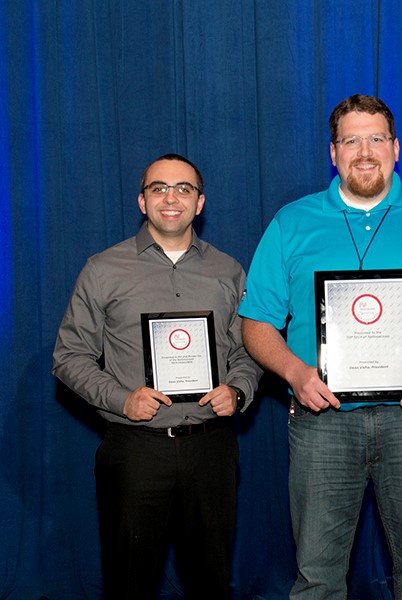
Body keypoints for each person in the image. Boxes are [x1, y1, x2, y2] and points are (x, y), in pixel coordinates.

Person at [240, 94, 402, 598]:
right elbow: (256, 323)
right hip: (322, 421)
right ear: (333, 153)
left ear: (397, 148)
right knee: (316, 577)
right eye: (351, 140)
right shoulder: (291, 223)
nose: (365, 151)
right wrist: (296, 375)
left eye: (376, 139)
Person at [52, 154, 262, 599]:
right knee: (129, 579)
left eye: (184, 188)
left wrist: (239, 391)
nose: (172, 198)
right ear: (141, 201)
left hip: (211, 448)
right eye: (159, 188)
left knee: (211, 580)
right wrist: (120, 397)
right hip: (135, 448)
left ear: (200, 203)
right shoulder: (102, 269)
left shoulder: (228, 270)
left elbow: (250, 351)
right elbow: (69, 357)